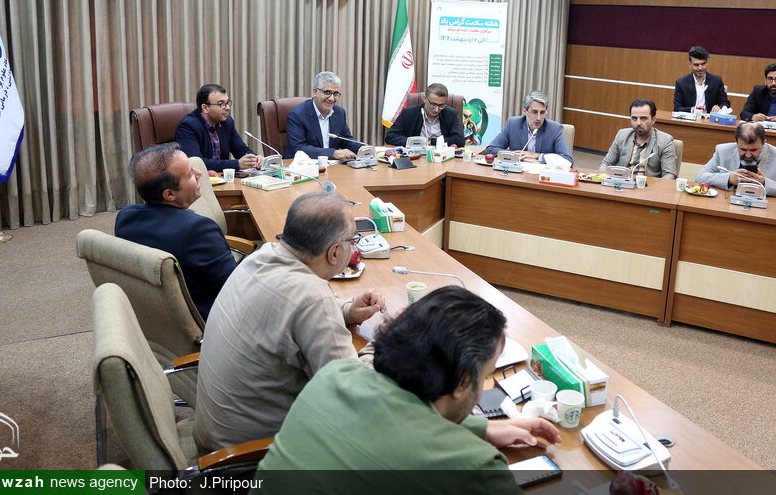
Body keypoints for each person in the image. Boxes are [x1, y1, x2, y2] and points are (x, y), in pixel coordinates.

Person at [256, 287, 561, 494]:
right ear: (462, 383)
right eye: (485, 376)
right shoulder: (475, 466)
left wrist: (483, 428)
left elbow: (392, 421)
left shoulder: (335, 374)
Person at [194, 192, 386, 452]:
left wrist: (346, 311)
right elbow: (354, 395)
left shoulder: (260, 257)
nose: (354, 247)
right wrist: (385, 341)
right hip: (253, 457)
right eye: (353, 240)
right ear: (334, 252)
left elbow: (287, 313)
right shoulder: (312, 297)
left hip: (218, 437)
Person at [115, 143, 236, 319]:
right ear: (169, 195)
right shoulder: (198, 230)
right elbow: (236, 287)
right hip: (213, 319)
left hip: (155, 317)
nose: (199, 174)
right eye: (190, 174)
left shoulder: (125, 217)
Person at [695, 122, 776, 198]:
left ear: (763, 143)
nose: (747, 155)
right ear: (736, 142)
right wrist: (728, 179)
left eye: (753, 150)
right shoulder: (723, 150)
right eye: (743, 149)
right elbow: (700, 177)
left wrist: (764, 183)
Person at [175, 83, 263, 172]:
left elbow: (240, 149)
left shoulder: (227, 122)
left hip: (223, 177)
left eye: (227, 103)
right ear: (205, 108)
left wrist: (254, 158)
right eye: (221, 104)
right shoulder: (187, 127)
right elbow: (196, 163)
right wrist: (237, 164)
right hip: (202, 178)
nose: (227, 108)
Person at [285, 71, 363, 159]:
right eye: (327, 92)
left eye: (335, 94)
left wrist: (364, 149)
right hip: (305, 165)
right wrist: (333, 153)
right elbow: (297, 148)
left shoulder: (339, 112)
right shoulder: (297, 114)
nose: (332, 98)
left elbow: (347, 141)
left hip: (333, 165)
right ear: (315, 92)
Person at [485, 91, 573, 164]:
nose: (538, 118)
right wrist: (519, 156)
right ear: (525, 111)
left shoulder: (554, 129)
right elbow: (491, 149)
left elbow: (567, 160)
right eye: (534, 112)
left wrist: (537, 156)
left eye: (542, 112)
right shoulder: (513, 124)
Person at [599, 99, 677, 178]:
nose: (638, 123)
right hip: (623, 182)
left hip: (649, 184)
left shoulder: (665, 140)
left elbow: (669, 174)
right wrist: (602, 179)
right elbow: (606, 163)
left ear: (653, 120)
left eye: (643, 118)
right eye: (634, 118)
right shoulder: (622, 135)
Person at [386, 82, 464, 147]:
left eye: (441, 105)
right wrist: (416, 142)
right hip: (415, 155)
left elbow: (459, 140)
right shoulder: (409, 113)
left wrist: (432, 141)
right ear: (425, 99)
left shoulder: (451, 114)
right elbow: (391, 136)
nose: (436, 109)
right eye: (433, 104)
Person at [673, 46, 730, 113]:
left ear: (707, 63)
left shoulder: (717, 81)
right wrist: (692, 110)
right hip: (690, 118)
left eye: (703, 64)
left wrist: (719, 107)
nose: (700, 68)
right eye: (696, 65)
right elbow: (677, 108)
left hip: (709, 118)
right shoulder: (681, 83)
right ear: (690, 64)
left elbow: (725, 103)